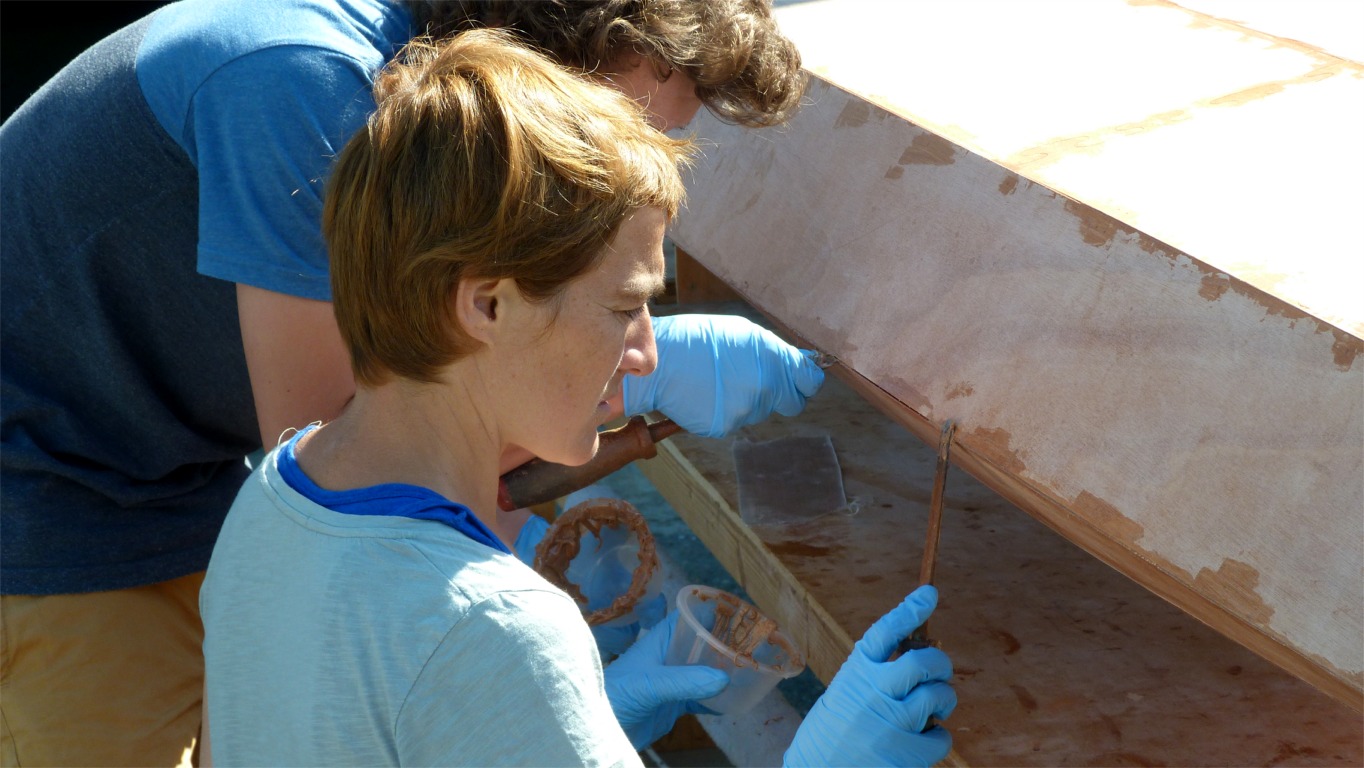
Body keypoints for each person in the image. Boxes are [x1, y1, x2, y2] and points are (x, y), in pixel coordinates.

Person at [0, 1, 821, 764]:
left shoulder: (403, 95)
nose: (627, 159)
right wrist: (628, 377)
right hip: (47, 486)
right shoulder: (302, 93)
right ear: (538, 80)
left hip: (172, 464)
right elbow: (361, 467)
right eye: (623, 126)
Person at [199, 29, 956, 765]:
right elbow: (459, 666)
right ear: (487, 306)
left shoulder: (268, 501)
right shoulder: (495, 633)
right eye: (626, 307)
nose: (649, 352)